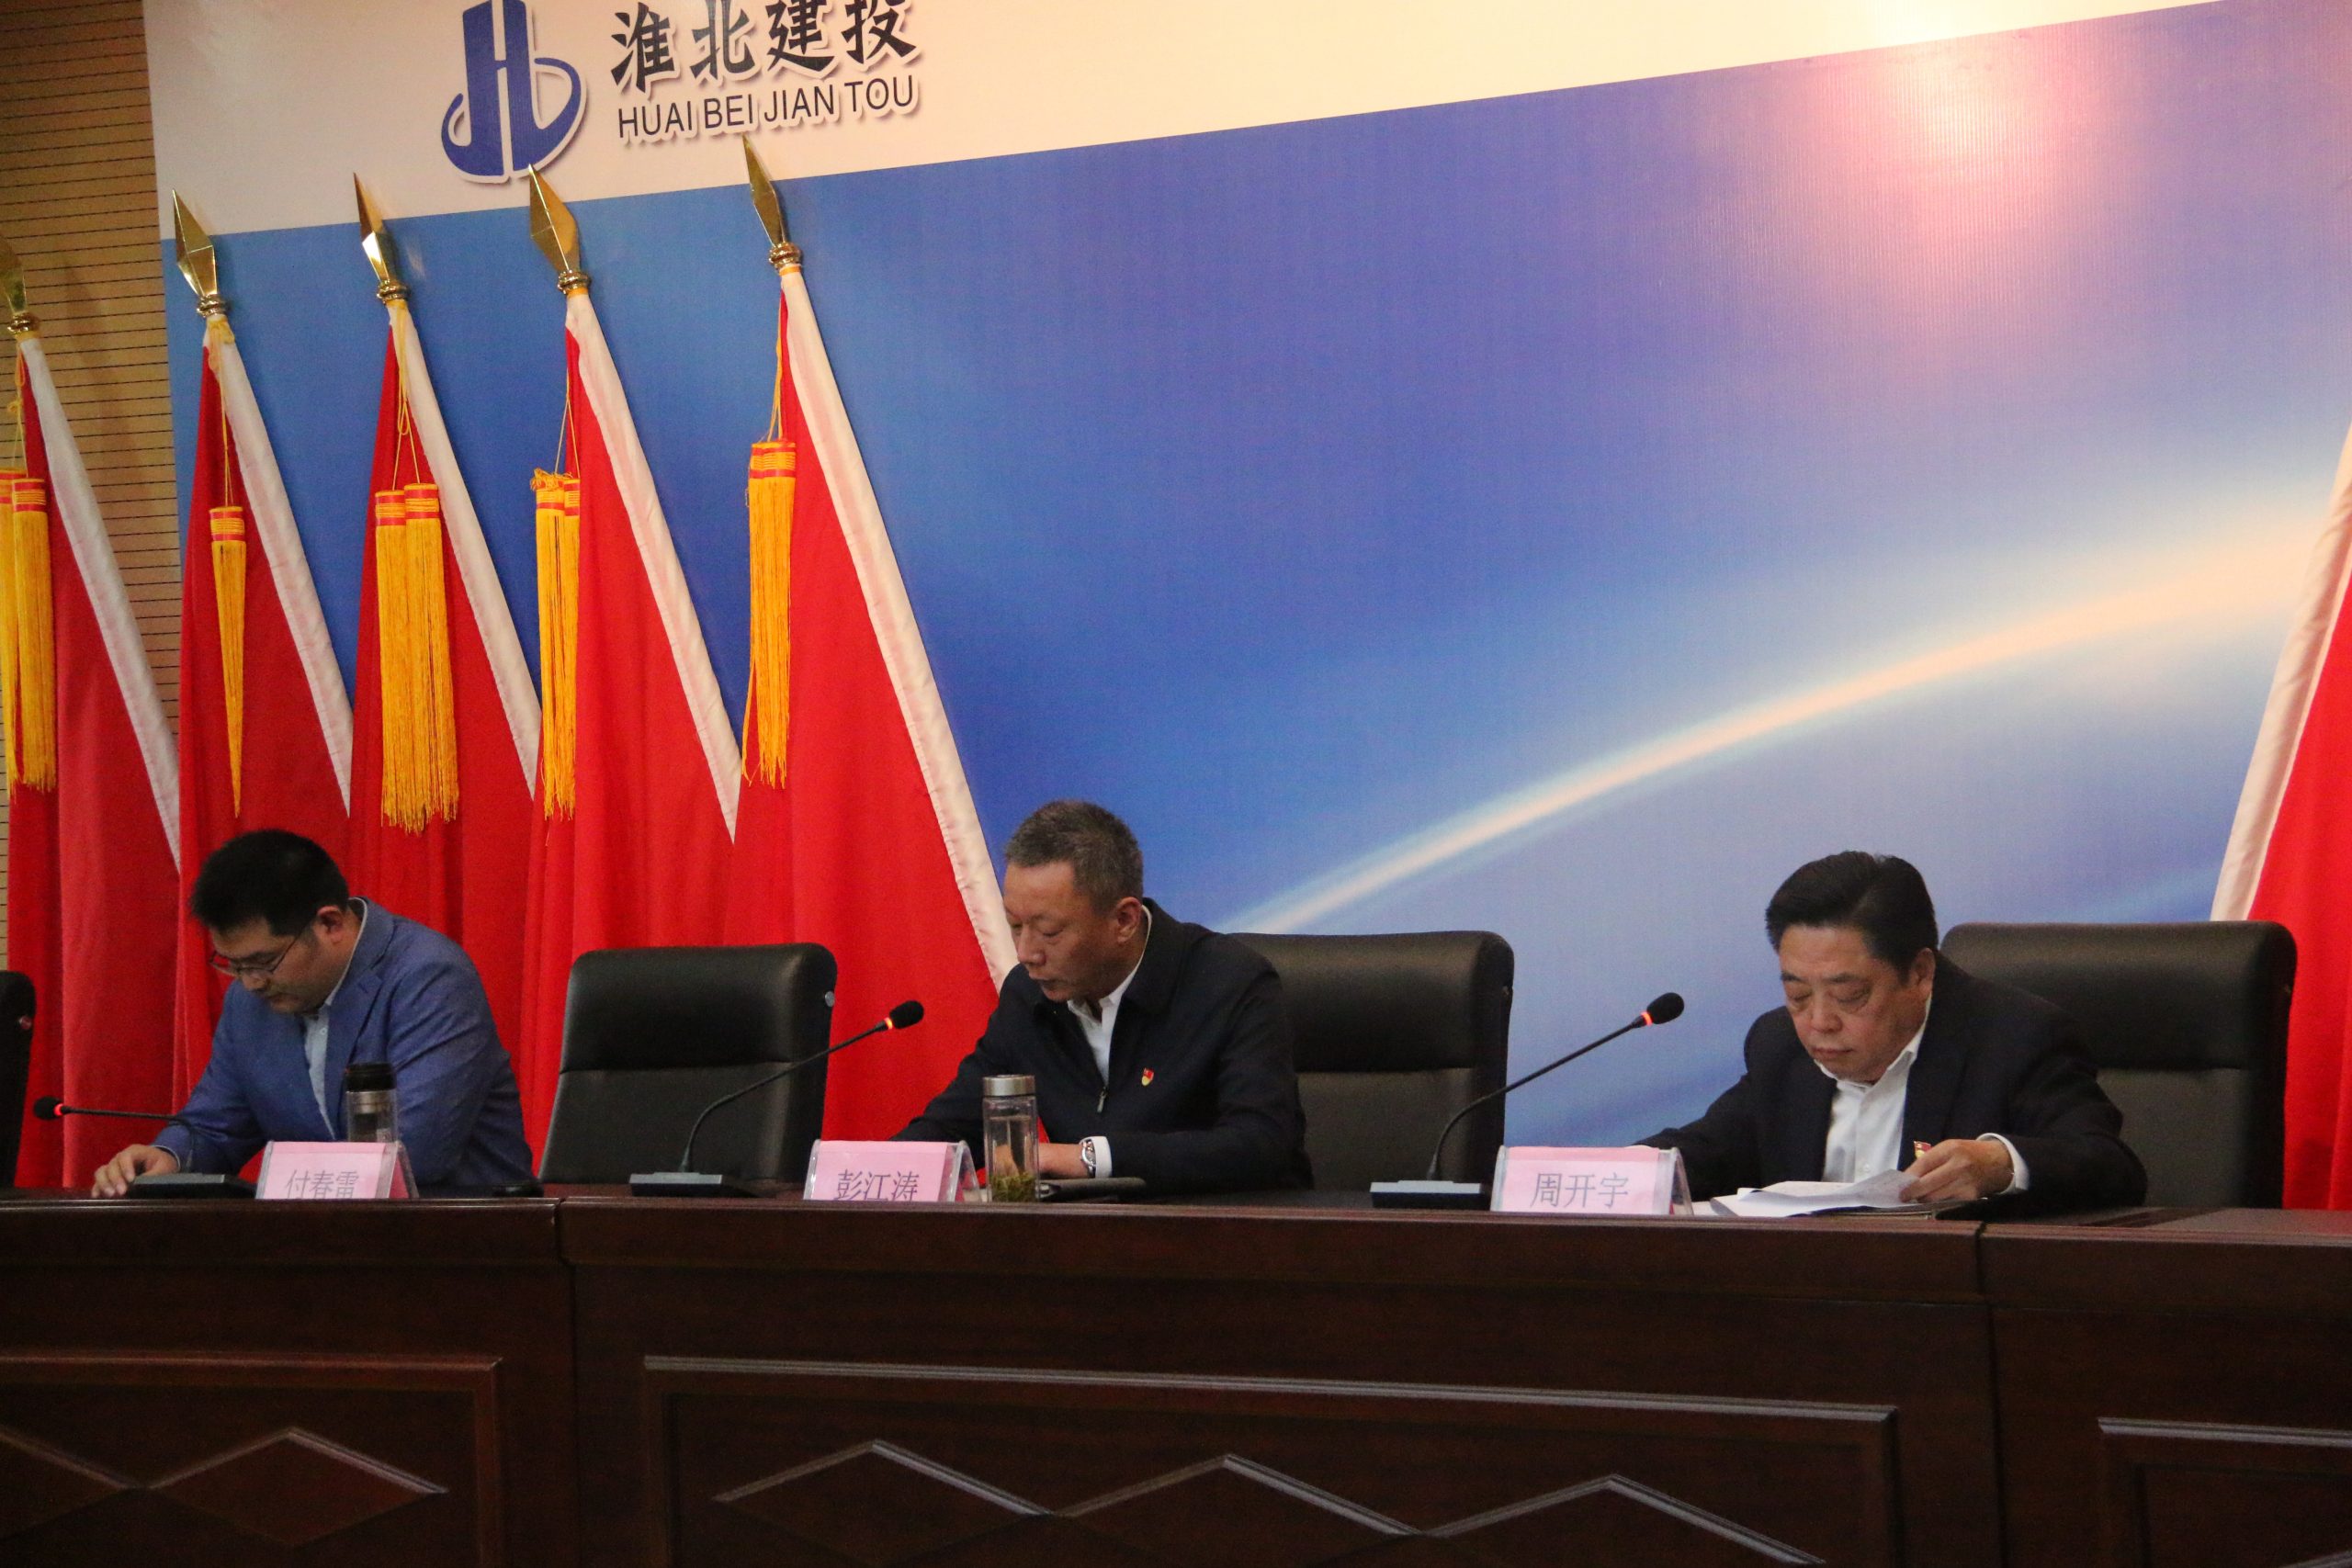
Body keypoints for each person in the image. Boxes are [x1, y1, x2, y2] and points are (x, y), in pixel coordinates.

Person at [1644, 851, 2145, 1208]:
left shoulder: (2013, 1036)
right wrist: (1619, 1170)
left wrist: (2001, 1164)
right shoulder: (1778, 1043)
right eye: (1797, 994)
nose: (1819, 1022)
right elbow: (1709, 1150)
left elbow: (2109, 1166)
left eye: (1849, 995)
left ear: (1920, 974)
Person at [899, 799, 1311, 1194]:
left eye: (1049, 932)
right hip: (1088, 1235)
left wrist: (1091, 1158)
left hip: (1225, 1232)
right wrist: (876, 1170)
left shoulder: (1230, 982)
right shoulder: (1028, 995)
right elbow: (953, 1127)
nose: (1026, 953)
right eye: (1015, 925)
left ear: (1123, 920)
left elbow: (1261, 1144)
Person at [90, 829, 532, 1196]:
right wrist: (169, 1157)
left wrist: (285, 1181)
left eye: (263, 962)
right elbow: (216, 1125)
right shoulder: (249, 1001)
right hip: (321, 1244)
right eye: (234, 965)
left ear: (330, 924)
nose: (250, 983)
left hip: (459, 1242)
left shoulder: (428, 976)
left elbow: (417, 1150)